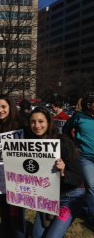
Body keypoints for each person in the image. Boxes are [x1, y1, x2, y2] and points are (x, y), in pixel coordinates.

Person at [29, 107, 85, 237]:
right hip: (47, 197)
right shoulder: (29, 144)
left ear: (49, 122)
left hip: (70, 196)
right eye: (33, 122)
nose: (37, 126)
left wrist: (64, 171)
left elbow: (78, 178)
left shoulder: (63, 143)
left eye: (41, 121)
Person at [0, 94, 25, 238]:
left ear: (10, 107)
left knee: (17, 214)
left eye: (3, 107)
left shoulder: (21, 125)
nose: (0, 110)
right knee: (3, 211)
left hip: (18, 178)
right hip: (0, 178)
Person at [62, 93, 94, 226]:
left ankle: (86, 207)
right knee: (92, 186)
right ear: (89, 104)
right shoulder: (79, 116)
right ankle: (91, 215)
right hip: (86, 157)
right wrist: (74, 146)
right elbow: (66, 130)